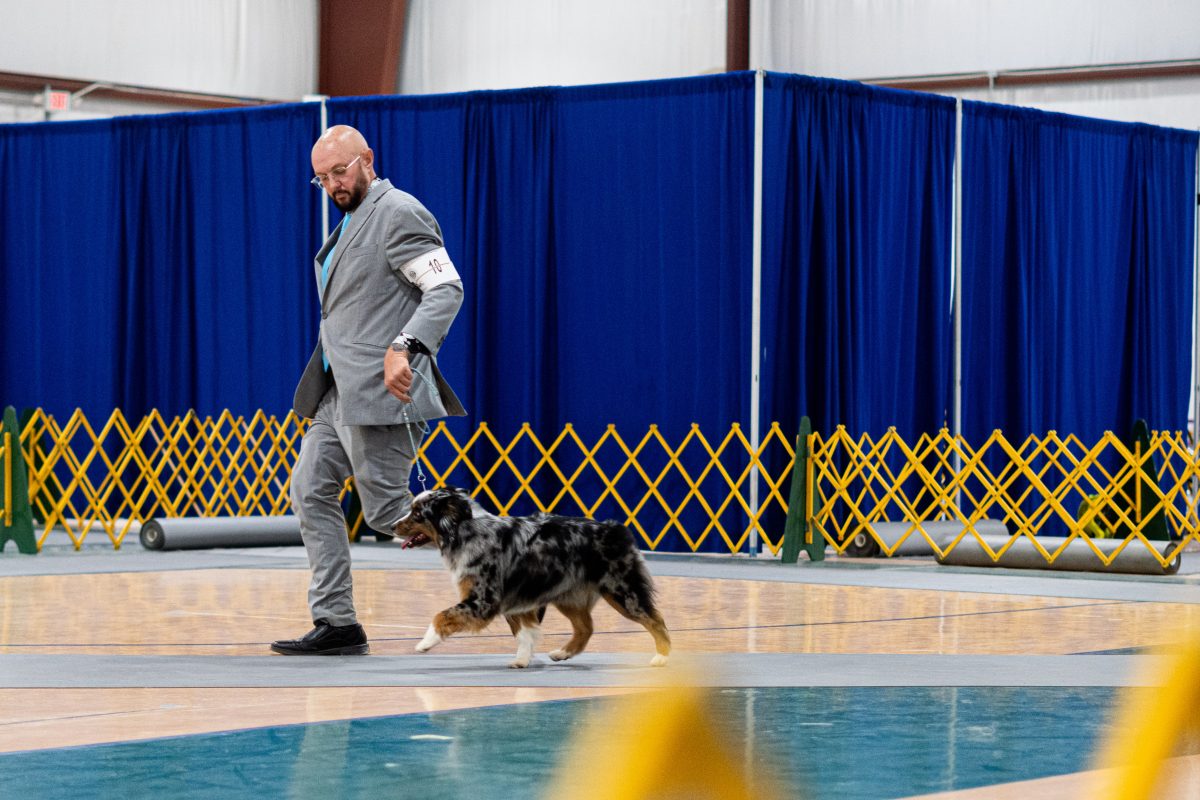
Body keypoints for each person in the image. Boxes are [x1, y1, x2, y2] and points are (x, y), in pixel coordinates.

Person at [271, 125, 466, 656]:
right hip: (336, 391)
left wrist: (404, 346)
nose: (333, 184)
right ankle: (336, 621)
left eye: (340, 171)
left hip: (383, 394)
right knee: (310, 490)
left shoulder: (399, 212)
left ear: (367, 160)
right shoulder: (352, 222)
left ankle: (515, 553)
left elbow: (445, 288)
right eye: (322, 178)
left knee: (387, 515)